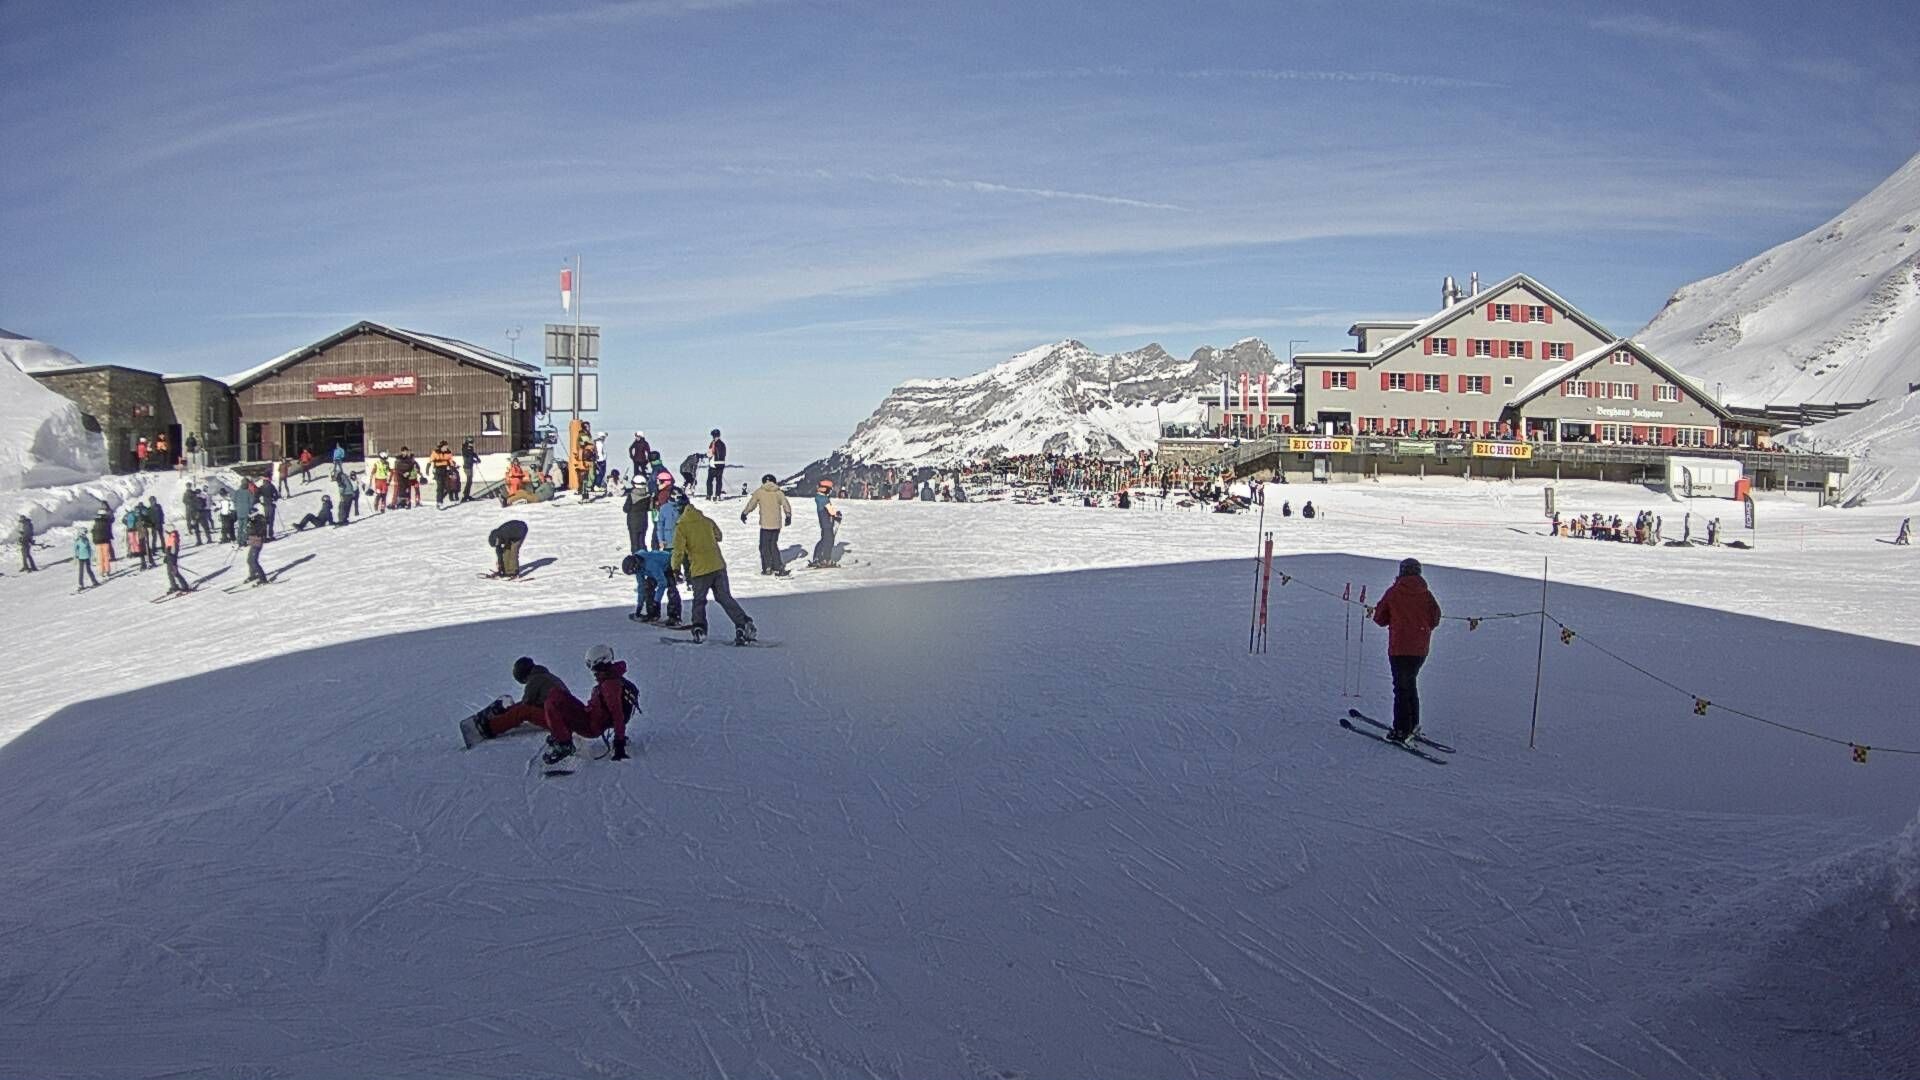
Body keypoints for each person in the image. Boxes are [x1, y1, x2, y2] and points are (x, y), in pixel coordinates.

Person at [465, 651, 636, 766]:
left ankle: (488, 728)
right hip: (584, 717)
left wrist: (619, 743)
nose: (591, 669)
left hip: (586, 724)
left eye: (591, 664)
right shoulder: (609, 680)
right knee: (544, 701)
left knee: (524, 711)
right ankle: (500, 718)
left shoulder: (609, 685)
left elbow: (617, 713)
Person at [1371, 558, 1442, 745]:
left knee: (1401, 688)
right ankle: (1413, 724)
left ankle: (1402, 730)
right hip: (1420, 648)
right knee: (1410, 684)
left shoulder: (1394, 592)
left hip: (1400, 648)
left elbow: (1379, 618)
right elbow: (1435, 618)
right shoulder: (1426, 593)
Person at [670, 498, 755, 644]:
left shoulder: (681, 526)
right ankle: (743, 623)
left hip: (700, 569)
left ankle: (699, 628)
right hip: (718, 565)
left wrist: (675, 568)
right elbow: (719, 536)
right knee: (724, 597)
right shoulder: (706, 520)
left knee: (699, 601)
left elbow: (678, 551)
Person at [742, 473, 792, 575]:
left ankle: (767, 567)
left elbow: (751, 504)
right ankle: (777, 566)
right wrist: (788, 516)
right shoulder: (778, 492)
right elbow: (785, 504)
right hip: (776, 524)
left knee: (764, 546)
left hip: (765, 525)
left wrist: (744, 513)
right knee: (773, 545)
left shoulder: (759, 492)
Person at [810, 478, 842, 568]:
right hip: (827, 523)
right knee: (829, 541)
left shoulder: (819, 498)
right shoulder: (824, 499)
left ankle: (817, 557)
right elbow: (831, 511)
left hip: (824, 523)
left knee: (824, 540)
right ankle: (825, 559)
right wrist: (837, 514)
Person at [244, 508, 270, 586]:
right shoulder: (253, 519)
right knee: (249, 560)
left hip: (258, 542)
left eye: (250, 514)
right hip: (253, 541)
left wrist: (250, 528)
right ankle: (253, 575)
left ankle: (263, 579)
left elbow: (259, 531)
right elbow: (249, 530)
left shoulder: (260, 519)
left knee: (254, 561)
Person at [624, 480, 652, 553]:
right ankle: (644, 559)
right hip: (643, 521)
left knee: (635, 543)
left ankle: (635, 561)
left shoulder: (631, 495)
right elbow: (650, 508)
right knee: (642, 542)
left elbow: (626, 509)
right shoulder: (648, 495)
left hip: (633, 522)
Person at [161, 526, 191, 594]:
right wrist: (166, 557)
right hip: (169, 558)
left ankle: (185, 586)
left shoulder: (174, 537)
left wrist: (171, 559)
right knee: (169, 573)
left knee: (175, 573)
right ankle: (173, 586)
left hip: (172, 559)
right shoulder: (170, 536)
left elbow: (173, 551)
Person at [706, 429, 728, 500]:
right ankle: (717, 495)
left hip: (713, 465)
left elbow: (710, 454)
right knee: (719, 481)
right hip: (721, 465)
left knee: (709, 481)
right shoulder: (723, 444)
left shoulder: (713, 443)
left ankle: (709, 495)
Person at [461, 437, 480, 501]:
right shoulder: (465, 448)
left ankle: (467, 494)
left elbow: (473, 454)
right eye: (471, 442)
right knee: (469, 480)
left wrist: (477, 458)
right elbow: (467, 458)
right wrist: (474, 461)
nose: (472, 444)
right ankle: (465, 495)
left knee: (470, 481)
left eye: (472, 442)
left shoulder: (470, 448)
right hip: (467, 466)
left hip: (470, 466)